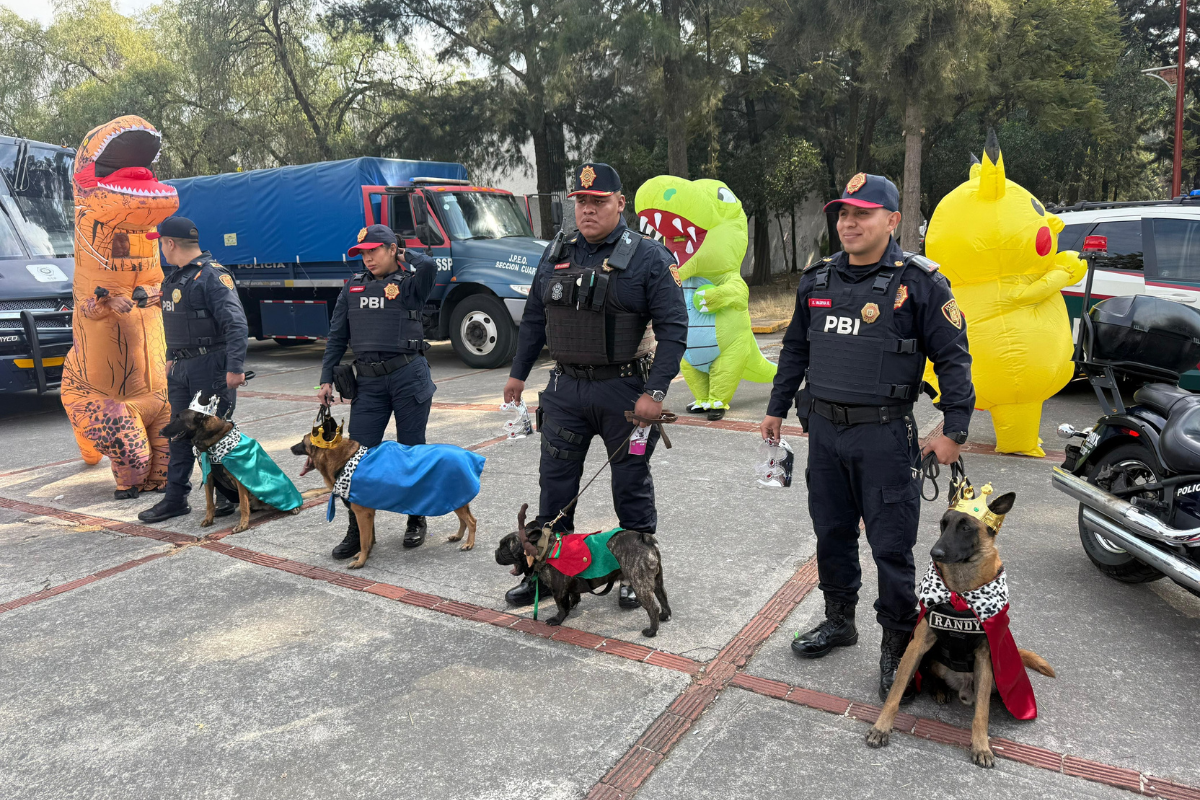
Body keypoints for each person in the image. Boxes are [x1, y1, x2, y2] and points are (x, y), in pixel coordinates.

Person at [759, 173, 974, 702]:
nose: (849, 223)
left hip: (883, 438)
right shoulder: (817, 280)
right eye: (843, 214)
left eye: (862, 214)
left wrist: (955, 431)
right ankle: (840, 620)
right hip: (825, 435)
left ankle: (897, 646)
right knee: (831, 533)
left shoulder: (920, 282)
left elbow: (954, 359)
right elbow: (794, 350)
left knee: (891, 548)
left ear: (892, 220)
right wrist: (776, 407)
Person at [502, 162, 688, 608]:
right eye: (581, 201)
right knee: (555, 484)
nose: (587, 210)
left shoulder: (649, 257)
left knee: (630, 482)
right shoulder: (556, 252)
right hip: (566, 390)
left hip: (624, 394)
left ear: (620, 204)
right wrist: (517, 372)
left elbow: (675, 327)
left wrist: (656, 392)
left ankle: (634, 568)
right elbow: (533, 318)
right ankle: (549, 572)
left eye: (598, 201)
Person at [317, 224, 439, 559]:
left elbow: (430, 266)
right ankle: (357, 529)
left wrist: (405, 254)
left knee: (411, 452)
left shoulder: (410, 285)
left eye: (374, 250)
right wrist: (326, 377)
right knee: (356, 458)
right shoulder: (351, 288)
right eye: (363, 253)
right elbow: (337, 336)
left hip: (408, 377)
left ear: (391, 249)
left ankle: (416, 518)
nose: (368, 258)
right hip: (368, 383)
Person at [139, 217, 248, 523]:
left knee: (212, 436)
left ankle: (229, 495)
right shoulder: (174, 279)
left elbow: (236, 323)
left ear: (170, 243)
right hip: (183, 367)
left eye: (161, 242)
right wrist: (172, 355)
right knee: (179, 434)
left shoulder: (212, 276)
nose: (161, 248)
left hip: (211, 365)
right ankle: (175, 499)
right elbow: (178, 323)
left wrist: (235, 367)